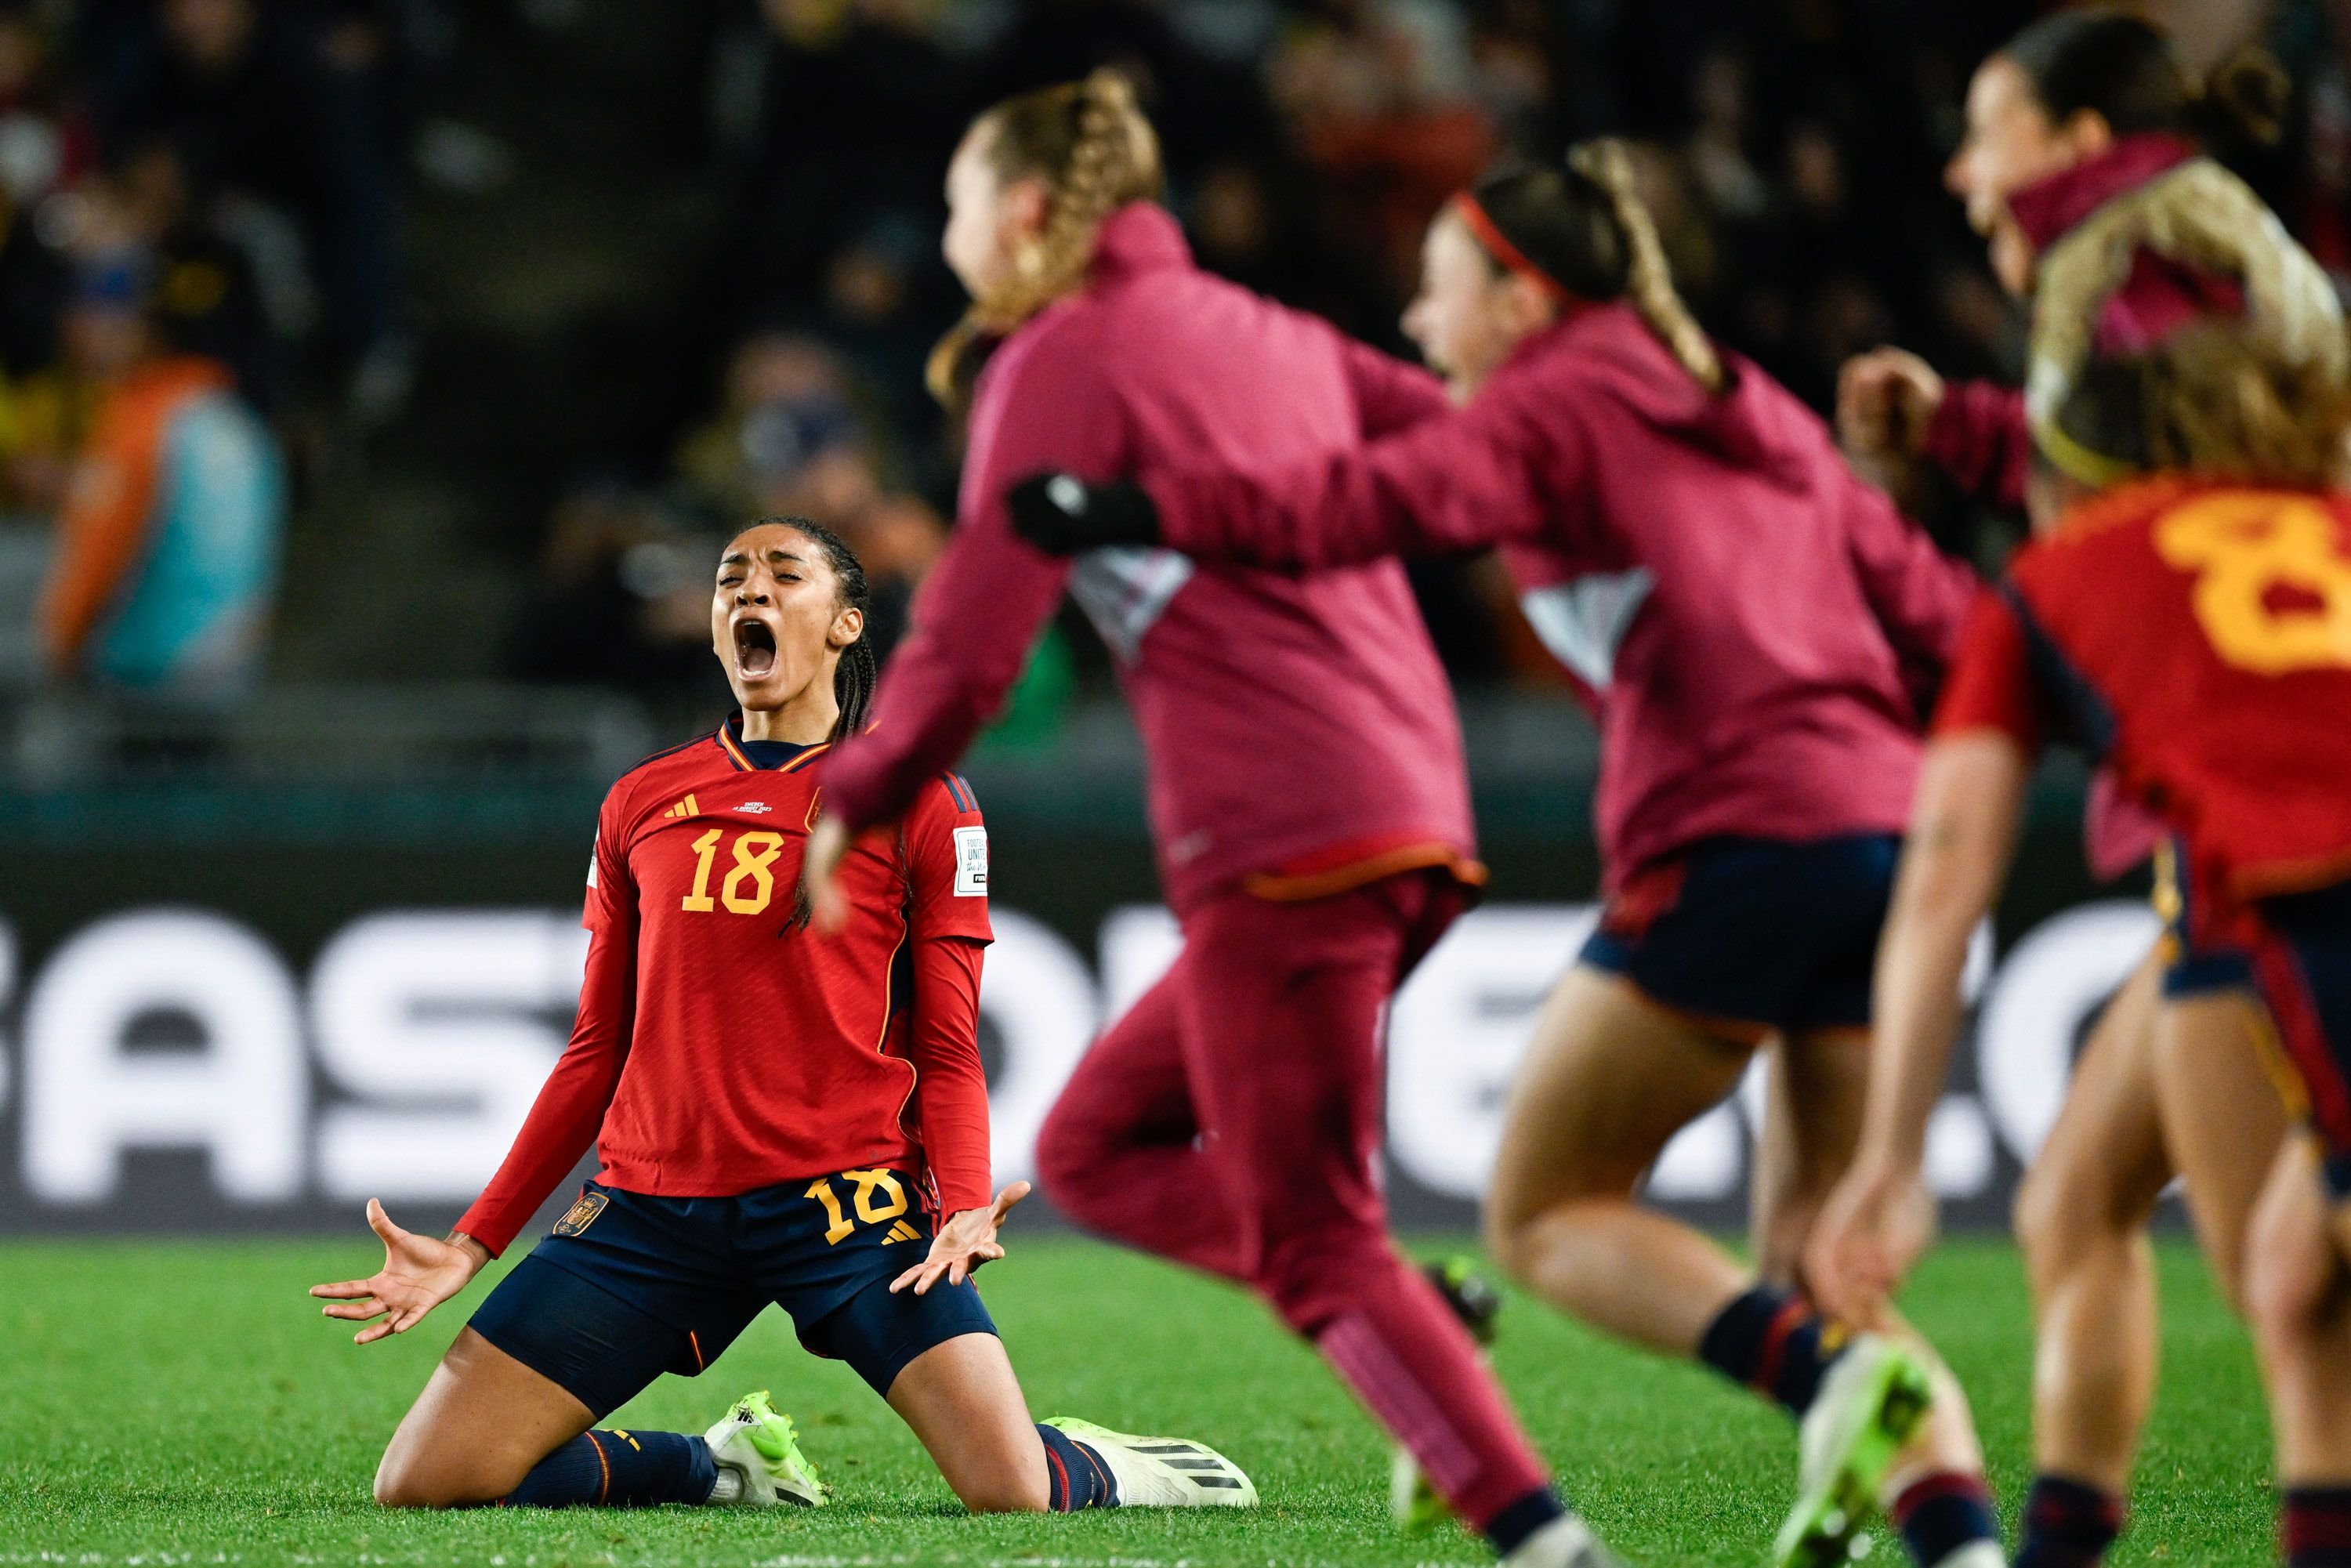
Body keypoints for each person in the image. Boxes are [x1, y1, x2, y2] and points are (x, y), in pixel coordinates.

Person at [1006, 143, 2005, 1568]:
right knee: (1821, 1265)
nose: (1421, 322)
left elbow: (1353, 508)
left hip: (1735, 837)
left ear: (1522, 301)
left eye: (1439, 289)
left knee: (1545, 1214)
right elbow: (1945, 612)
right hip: (1888, 842)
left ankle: (1817, 1382)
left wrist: (1130, 509)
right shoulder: (1737, 402)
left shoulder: (1553, 403)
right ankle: (1958, 1539)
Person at [801, 71, 1625, 1568]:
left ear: (1031, 214)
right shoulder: (1277, 334)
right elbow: (1471, 460)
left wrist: (848, 800)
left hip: (1290, 830)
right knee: (1107, 1146)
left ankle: (1545, 1539)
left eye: (959, 207)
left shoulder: (1059, 358)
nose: (948, 238)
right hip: (1406, 804)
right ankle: (1409, 1319)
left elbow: (973, 652)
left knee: (1310, 1234)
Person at [307, 515, 1255, 1519]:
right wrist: (473, 1243)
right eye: (730, 582)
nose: (746, 594)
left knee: (1012, 1492)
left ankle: (1099, 1461)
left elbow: (947, 1046)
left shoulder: (924, 801)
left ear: (846, 623)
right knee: (424, 1483)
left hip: (848, 1208)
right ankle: (714, 1467)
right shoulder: (642, 800)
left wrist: (962, 1199)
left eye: (781, 575)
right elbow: (597, 1047)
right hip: (652, 1211)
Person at [1834, 16, 2322, 1559]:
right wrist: (1978, 432)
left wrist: (1894, 1154)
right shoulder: (2193, 245)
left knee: (2300, 1302)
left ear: (2079, 130)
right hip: (2270, 797)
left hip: (2266, 836)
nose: (1965, 168)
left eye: (1992, 126)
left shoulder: (2132, 262)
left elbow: (1945, 877)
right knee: (2076, 1206)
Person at [37, 250, 284, 699]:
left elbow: (100, 550)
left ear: (150, 331)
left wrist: (60, 649)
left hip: (140, 680)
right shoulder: (236, 424)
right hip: (224, 675)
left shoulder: (143, 425)